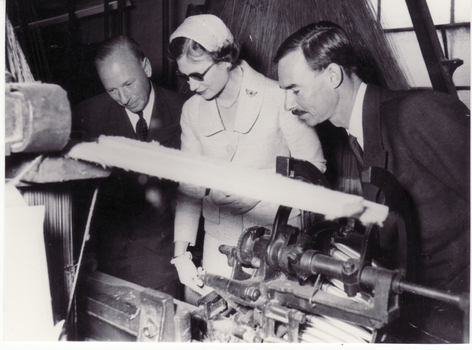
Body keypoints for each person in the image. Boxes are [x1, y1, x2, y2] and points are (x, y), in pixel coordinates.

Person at [275, 21, 469, 343]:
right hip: (425, 309)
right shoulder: (358, 132)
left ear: (333, 75)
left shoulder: (416, 113)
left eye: (294, 89)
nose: (288, 104)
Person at [167, 14, 326, 296]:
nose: (190, 86)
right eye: (184, 76)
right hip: (219, 244)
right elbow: (189, 186)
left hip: (278, 243)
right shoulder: (191, 110)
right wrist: (181, 254)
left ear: (226, 60)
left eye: (198, 75)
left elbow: (315, 168)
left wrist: (259, 189)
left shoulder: (277, 96)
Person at [73, 36, 188, 298]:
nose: (123, 97)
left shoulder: (186, 110)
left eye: (128, 83)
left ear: (146, 67)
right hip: (109, 262)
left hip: (166, 262)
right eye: (112, 90)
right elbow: (80, 195)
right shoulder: (88, 114)